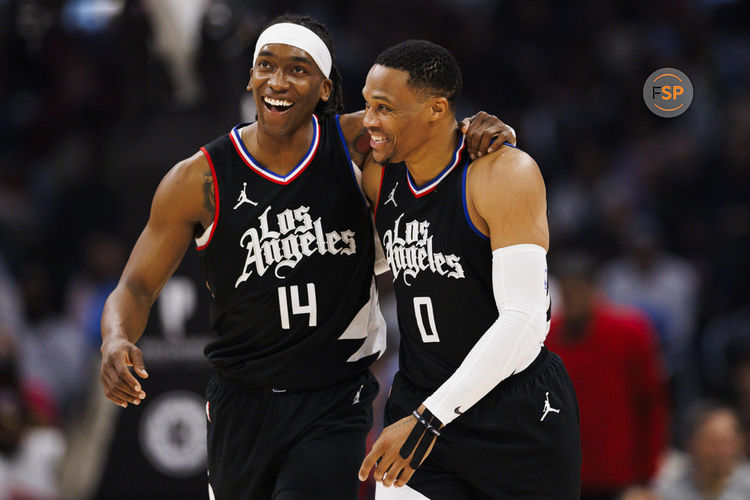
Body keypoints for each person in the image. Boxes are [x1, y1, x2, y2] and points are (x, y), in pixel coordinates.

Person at [98, 15, 515, 499]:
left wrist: (477, 128)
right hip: (240, 401)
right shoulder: (201, 178)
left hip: (333, 400)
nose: (277, 81)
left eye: (297, 70)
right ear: (250, 77)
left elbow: (426, 125)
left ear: (325, 88)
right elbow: (135, 287)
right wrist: (115, 338)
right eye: (266, 66)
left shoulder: (359, 141)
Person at [358, 40, 581, 499]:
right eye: (366, 104)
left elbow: (525, 322)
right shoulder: (378, 175)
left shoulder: (503, 173)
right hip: (419, 399)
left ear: (437, 108)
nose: (368, 120)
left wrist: (429, 418)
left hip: (513, 414)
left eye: (383, 107)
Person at [546, 253, 669, 500]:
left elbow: (651, 404)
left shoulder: (630, 332)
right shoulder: (548, 336)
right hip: (564, 475)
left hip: (620, 476)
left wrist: (647, 475)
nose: (571, 298)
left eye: (577, 289)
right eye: (566, 291)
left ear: (594, 289)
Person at [655, 402, 750, 500]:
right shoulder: (668, 491)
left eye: (726, 442)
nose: (720, 451)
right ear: (691, 444)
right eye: (712, 443)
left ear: (740, 443)